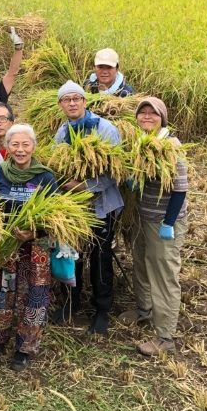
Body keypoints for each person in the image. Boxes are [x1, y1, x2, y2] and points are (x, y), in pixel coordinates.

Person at [0, 124, 61, 369]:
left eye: (25, 144)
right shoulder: (1, 173)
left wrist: (34, 232)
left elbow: (57, 216)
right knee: (1, 293)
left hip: (36, 247)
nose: (20, 149)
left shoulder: (45, 176)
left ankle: (24, 348)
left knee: (34, 296)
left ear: (34, 147)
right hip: (6, 245)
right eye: (14, 144)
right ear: (7, 147)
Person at [119, 97, 189, 357]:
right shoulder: (139, 142)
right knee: (141, 263)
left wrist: (169, 222)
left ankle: (165, 337)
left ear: (163, 118)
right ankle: (143, 310)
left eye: (153, 114)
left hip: (162, 221)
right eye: (142, 113)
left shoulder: (171, 146)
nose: (147, 117)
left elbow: (180, 189)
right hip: (141, 217)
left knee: (162, 275)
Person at [54, 80, 123, 335]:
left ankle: (102, 309)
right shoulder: (62, 133)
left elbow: (117, 172)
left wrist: (86, 186)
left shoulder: (105, 129)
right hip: (74, 208)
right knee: (71, 254)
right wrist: (65, 185)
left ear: (85, 101)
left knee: (100, 257)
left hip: (102, 206)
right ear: (61, 104)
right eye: (66, 100)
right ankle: (71, 302)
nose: (72, 103)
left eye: (76, 99)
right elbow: (57, 167)